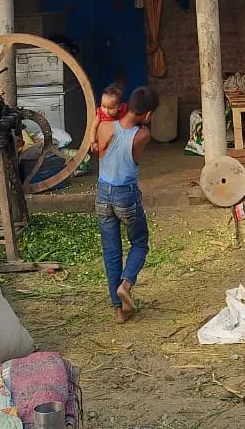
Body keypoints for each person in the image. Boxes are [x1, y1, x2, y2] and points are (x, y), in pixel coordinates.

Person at [94, 86, 157, 323]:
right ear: (148, 115)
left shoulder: (104, 125)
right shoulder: (143, 135)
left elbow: (100, 148)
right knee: (139, 243)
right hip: (125, 196)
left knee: (111, 252)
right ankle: (126, 283)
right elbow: (134, 154)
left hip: (102, 194)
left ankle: (119, 311)